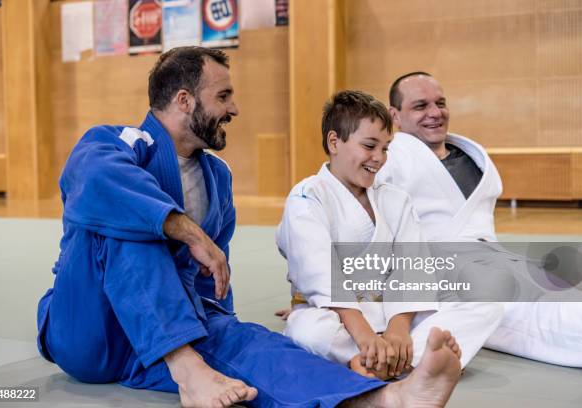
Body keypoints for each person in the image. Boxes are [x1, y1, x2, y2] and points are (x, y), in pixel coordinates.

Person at [36, 47, 462, 408]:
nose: (234, 108)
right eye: (223, 96)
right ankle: (188, 370)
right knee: (131, 223)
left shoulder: (216, 178)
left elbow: (209, 284)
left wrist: (225, 330)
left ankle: (383, 399)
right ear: (184, 100)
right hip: (91, 330)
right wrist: (185, 229)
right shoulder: (115, 144)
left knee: (254, 344)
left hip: (157, 339)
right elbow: (91, 180)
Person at [276, 90, 502, 381]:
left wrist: (398, 328)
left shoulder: (395, 199)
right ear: (335, 142)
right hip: (340, 316)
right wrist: (365, 335)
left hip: (392, 310)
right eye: (370, 146)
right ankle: (414, 360)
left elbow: (412, 266)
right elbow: (318, 273)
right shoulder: (307, 197)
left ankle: (379, 362)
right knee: (309, 330)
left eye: (385, 148)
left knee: (485, 299)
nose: (379, 158)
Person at [376, 72, 582, 367]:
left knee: (561, 286)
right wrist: (322, 297)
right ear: (395, 115)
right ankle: (403, 364)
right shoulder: (389, 159)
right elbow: (360, 226)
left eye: (440, 103)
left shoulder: (473, 154)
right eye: (420, 106)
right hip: (441, 274)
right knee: (543, 314)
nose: (435, 113)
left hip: (494, 260)